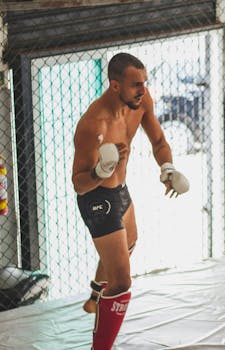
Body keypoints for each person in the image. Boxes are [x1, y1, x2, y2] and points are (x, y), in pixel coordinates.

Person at [72, 52, 189, 350]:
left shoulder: (140, 103)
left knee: (129, 243)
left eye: (145, 82)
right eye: (136, 84)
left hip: (120, 191)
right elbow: (79, 184)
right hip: (96, 197)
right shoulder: (93, 124)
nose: (143, 89)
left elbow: (159, 142)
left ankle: (95, 298)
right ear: (114, 85)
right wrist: (100, 172)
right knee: (122, 281)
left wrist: (168, 169)